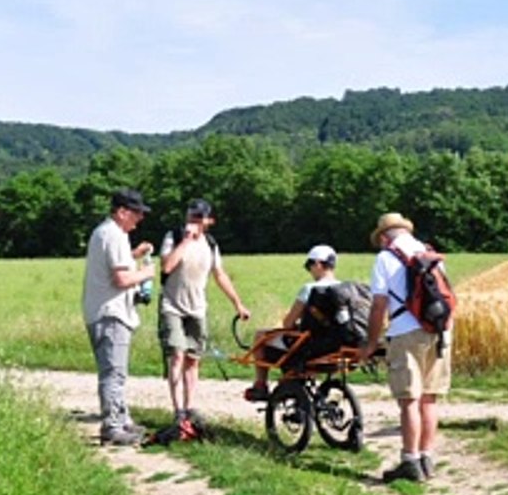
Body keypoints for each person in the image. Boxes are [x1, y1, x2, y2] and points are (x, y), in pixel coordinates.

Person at [358, 212, 451, 483]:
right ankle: (427, 458)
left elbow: (378, 306)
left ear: (385, 237)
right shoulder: (429, 253)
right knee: (429, 397)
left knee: (409, 399)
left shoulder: (386, 258)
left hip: (405, 331)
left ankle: (410, 461)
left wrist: (371, 342)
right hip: (440, 329)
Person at [159, 198, 251, 424]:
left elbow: (220, 275)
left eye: (200, 218)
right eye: (192, 217)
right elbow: (166, 266)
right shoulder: (174, 236)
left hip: (197, 308)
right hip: (172, 306)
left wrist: (238, 304)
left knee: (193, 358)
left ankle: (190, 408)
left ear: (209, 221)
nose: (195, 221)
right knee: (177, 354)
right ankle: (178, 410)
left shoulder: (210, 244)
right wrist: (186, 241)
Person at [82, 188, 158, 446]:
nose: (140, 219)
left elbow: (114, 265)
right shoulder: (113, 235)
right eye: (136, 213)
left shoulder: (107, 233)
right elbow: (121, 278)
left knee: (116, 371)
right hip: (111, 314)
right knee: (114, 373)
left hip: (104, 312)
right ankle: (112, 426)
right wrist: (146, 273)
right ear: (122, 212)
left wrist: (134, 255)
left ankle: (122, 420)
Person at [242, 244, 340, 402]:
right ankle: (291, 379)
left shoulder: (310, 289)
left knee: (260, 336)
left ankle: (260, 385)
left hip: (308, 346)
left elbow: (288, 323)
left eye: (309, 265)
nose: (310, 270)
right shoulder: (344, 289)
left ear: (318, 264)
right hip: (334, 345)